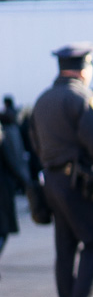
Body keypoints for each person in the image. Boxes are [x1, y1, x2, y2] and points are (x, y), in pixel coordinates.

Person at [29, 43, 93, 297]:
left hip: (53, 181)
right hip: (80, 182)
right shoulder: (84, 98)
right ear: (85, 69)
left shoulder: (43, 100)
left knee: (66, 248)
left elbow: (34, 144)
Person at [0, 108, 30, 264]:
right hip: (3, 189)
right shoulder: (3, 135)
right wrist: (26, 182)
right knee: (2, 230)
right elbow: (12, 162)